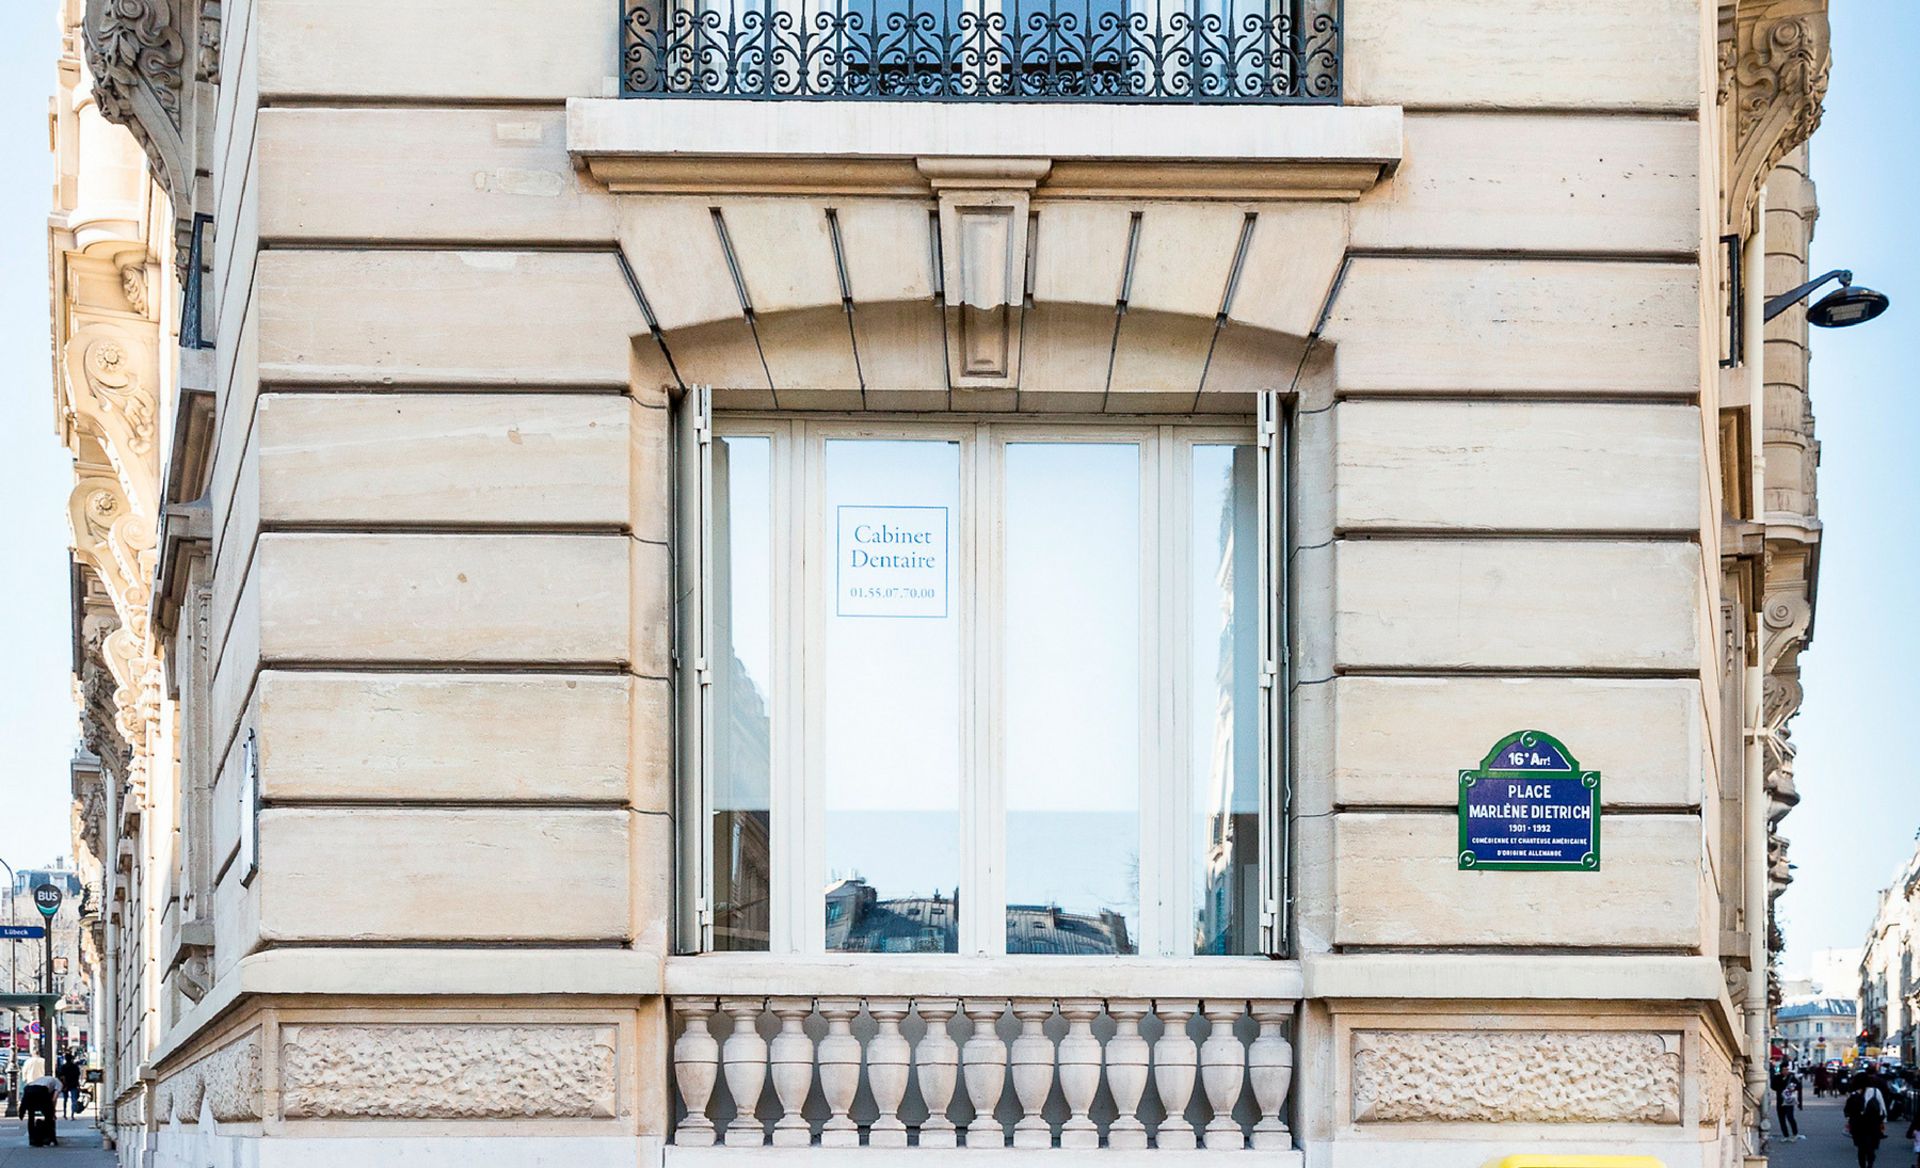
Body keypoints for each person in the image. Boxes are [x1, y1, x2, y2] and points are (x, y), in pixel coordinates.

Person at [1850, 1074, 1891, 1168]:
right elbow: (1882, 1107)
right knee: (1871, 1146)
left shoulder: (1855, 1093)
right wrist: (1883, 1121)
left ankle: (1863, 1165)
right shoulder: (1876, 1092)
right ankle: (1870, 1162)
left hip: (1859, 1124)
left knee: (1861, 1148)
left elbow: (1849, 1110)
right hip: (1874, 1123)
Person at [55, 1050, 80, 1118]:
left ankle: (65, 1114)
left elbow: (61, 1076)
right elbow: (77, 1076)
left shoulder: (63, 1067)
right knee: (73, 1099)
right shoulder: (75, 1067)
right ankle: (72, 1114)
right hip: (74, 1084)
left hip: (65, 1085)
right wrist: (78, 1085)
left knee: (65, 1099)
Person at [1781, 1076, 1803, 1140]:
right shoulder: (1778, 1077)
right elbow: (1773, 1085)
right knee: (1782, 1119)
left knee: (1790, 1117)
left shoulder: (1791, 1077)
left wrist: (1793, 1088)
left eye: (1787, 1069)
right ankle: (1786, 1135)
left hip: (1789, 1100)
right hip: (1781, 1100)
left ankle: (1795, 1133)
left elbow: (1798, 1086)